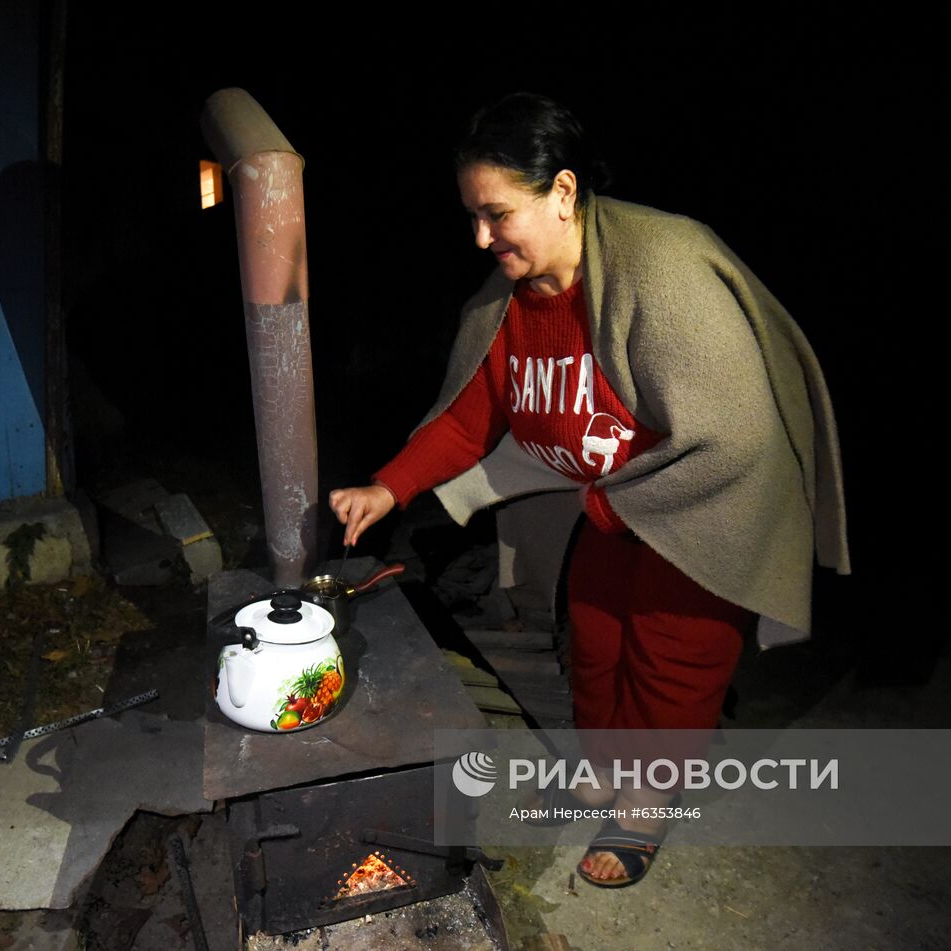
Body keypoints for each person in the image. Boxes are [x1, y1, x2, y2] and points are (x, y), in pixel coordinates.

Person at [329, 93, 850, 888]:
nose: (481, 237)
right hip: (616, 504)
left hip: (708, 501)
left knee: (673, 654)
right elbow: (470, 417)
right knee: (597, 635)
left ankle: (646, 804)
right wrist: (386, 489)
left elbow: (738, 433)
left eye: (497, 214)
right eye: (471, 215)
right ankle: (603, 774)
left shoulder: (665, 266)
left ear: (563, 193)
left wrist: (613, 502)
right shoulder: (507, 299)